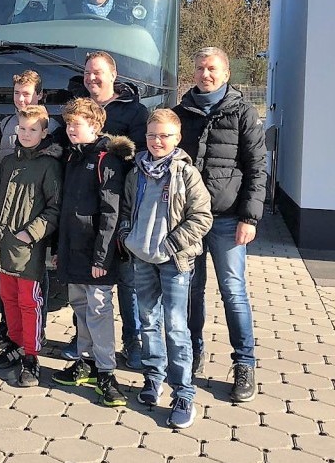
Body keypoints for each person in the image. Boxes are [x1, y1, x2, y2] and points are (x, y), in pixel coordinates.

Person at [174, 47, 266, 403]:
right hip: (190, 221)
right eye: (199, 68)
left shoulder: (243, 112)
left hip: (229, 221)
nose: (205, 74)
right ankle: (193, 351)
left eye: (212, 68)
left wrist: (250, 217)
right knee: (190, 291)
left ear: (226, 73)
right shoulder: (181, 113)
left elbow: (257, 168)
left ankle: (244, 363)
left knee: (234, 292)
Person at [118, 109, 212, 429]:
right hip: (141, 258)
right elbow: (127, 210)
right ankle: (153, 379)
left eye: (164, 136)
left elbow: (202, 218)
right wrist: (126, 236)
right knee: (148, 321)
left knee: (174, 326)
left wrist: (171, 245)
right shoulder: (136, 172)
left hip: (175, 261)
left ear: (177, 138)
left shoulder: (187, 174)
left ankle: (184, 392)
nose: (157, 141)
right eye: (152, 135)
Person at [51, 98, 134, 408]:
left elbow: (109, 214)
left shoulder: (105, 160)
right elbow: (66, 211)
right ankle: (84, 363)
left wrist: (102, 258)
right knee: (80, 306)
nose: (71, 128)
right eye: (69, 123)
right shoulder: (73, 157)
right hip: (71, 251)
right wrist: (59, 250)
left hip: (95, 255)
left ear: (96, 126)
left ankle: (106, 372)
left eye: (78, 124)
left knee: (99, 311)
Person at [0, 105, 62, 387]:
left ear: (44, 132)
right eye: (23, 128)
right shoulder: (8, 162)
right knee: (8, 298)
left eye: (33, 129)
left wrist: (31, 233)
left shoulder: (49, 165)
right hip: (1, 244)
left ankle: (32, 354)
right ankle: (15, 343)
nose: (26, 134)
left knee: (30, 302)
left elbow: (54, 208)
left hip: (28, 249)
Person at [80, 50, 148, 369]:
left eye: (98, 72)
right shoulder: (78, 107)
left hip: (120, 208)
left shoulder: (134, 112)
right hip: (84, 207)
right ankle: (87, 339)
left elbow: (137, 154)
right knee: (88, 276)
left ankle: (133, 341)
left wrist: (103, 145)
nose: (92, 78)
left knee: (126, 279)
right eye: (88, 73)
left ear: (113, 75)